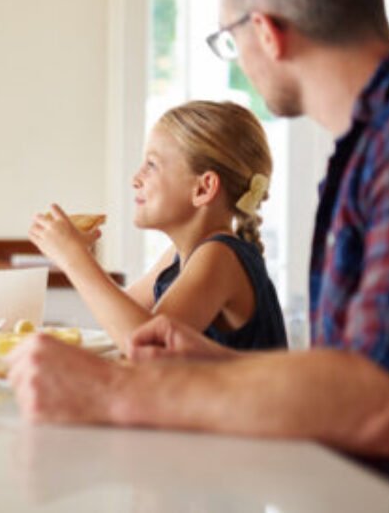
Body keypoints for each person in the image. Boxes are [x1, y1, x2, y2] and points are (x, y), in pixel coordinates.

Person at [6, 0, 389, 510]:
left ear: (265, 31)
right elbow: (356, 373)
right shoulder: (377, 145)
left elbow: (387, 400)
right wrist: (216, 364)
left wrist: (112, 392)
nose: (237, 57)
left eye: (228, 37)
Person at [30, 100, 286, 351]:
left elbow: (147, 345)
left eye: (151, 165)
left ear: (203, 188)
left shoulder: (221, 255)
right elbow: (120, 314)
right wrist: (81, 254)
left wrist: (74, 259)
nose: (135, 179)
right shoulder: (180, 255)